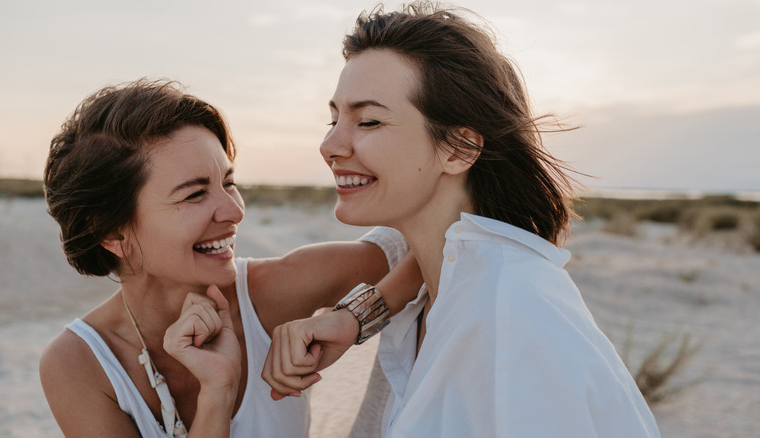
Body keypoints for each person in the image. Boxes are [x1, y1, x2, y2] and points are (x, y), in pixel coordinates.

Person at [262, 2, 662, 437]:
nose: (330, 144)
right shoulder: (433, 297)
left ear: (459, 150)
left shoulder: (515, 314)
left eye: (369, 120)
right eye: (334, 118)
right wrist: (358, 315)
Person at [38, 79, 422, 437]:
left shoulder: (277, 290)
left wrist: (355, 318)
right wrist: (217, 394)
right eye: (194, 194)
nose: (234, 211)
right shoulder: (79, 364)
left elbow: (429, 243)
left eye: (229, 183)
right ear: (112, 232)